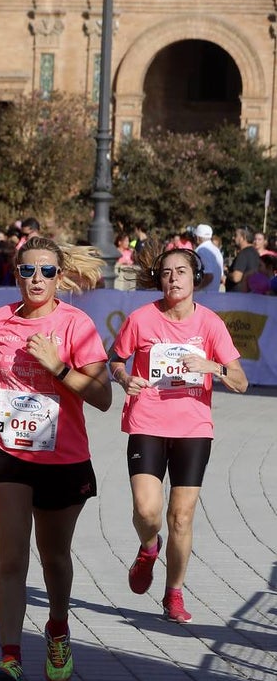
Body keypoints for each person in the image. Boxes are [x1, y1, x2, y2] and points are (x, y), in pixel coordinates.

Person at [0, 236, 111, 681]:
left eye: (47, 272)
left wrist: (59, 367)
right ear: (15, 274)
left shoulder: (76, 324)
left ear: (59, 276)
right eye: (28, 271)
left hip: (63, 455)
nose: (36, 279)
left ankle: (57, 627)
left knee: (54, 558)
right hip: (6, 448)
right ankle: (10, 658)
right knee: (12, 557)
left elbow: (105, 397)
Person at [110, 246, 247, 623]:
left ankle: (174, 594)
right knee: (147, 510)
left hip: (193, 429)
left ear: (195, 278)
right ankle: (149, 547)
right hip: (148, 422)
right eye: (167, 272)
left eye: (181, 271)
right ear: (160, 279)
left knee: (182, 518)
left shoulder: (211, 325)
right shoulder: (141, 319)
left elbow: (241, 381)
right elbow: (116, 360)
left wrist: (212, 365)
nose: (173, 278)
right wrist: (124, 378)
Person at [192, 224, 223, 291]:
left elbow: (209, 276)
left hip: (203, 296)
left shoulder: (202, 250)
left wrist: (195, 289)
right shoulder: (216, 250)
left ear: (198, 238)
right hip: (213, 295)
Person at [227, 226, 259, 292]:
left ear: (243, 237)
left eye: (236, 235)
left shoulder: (243, 254)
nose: (233, 238)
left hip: (237, 297)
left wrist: (227, 272)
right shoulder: (255, 253)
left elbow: (236, 277)